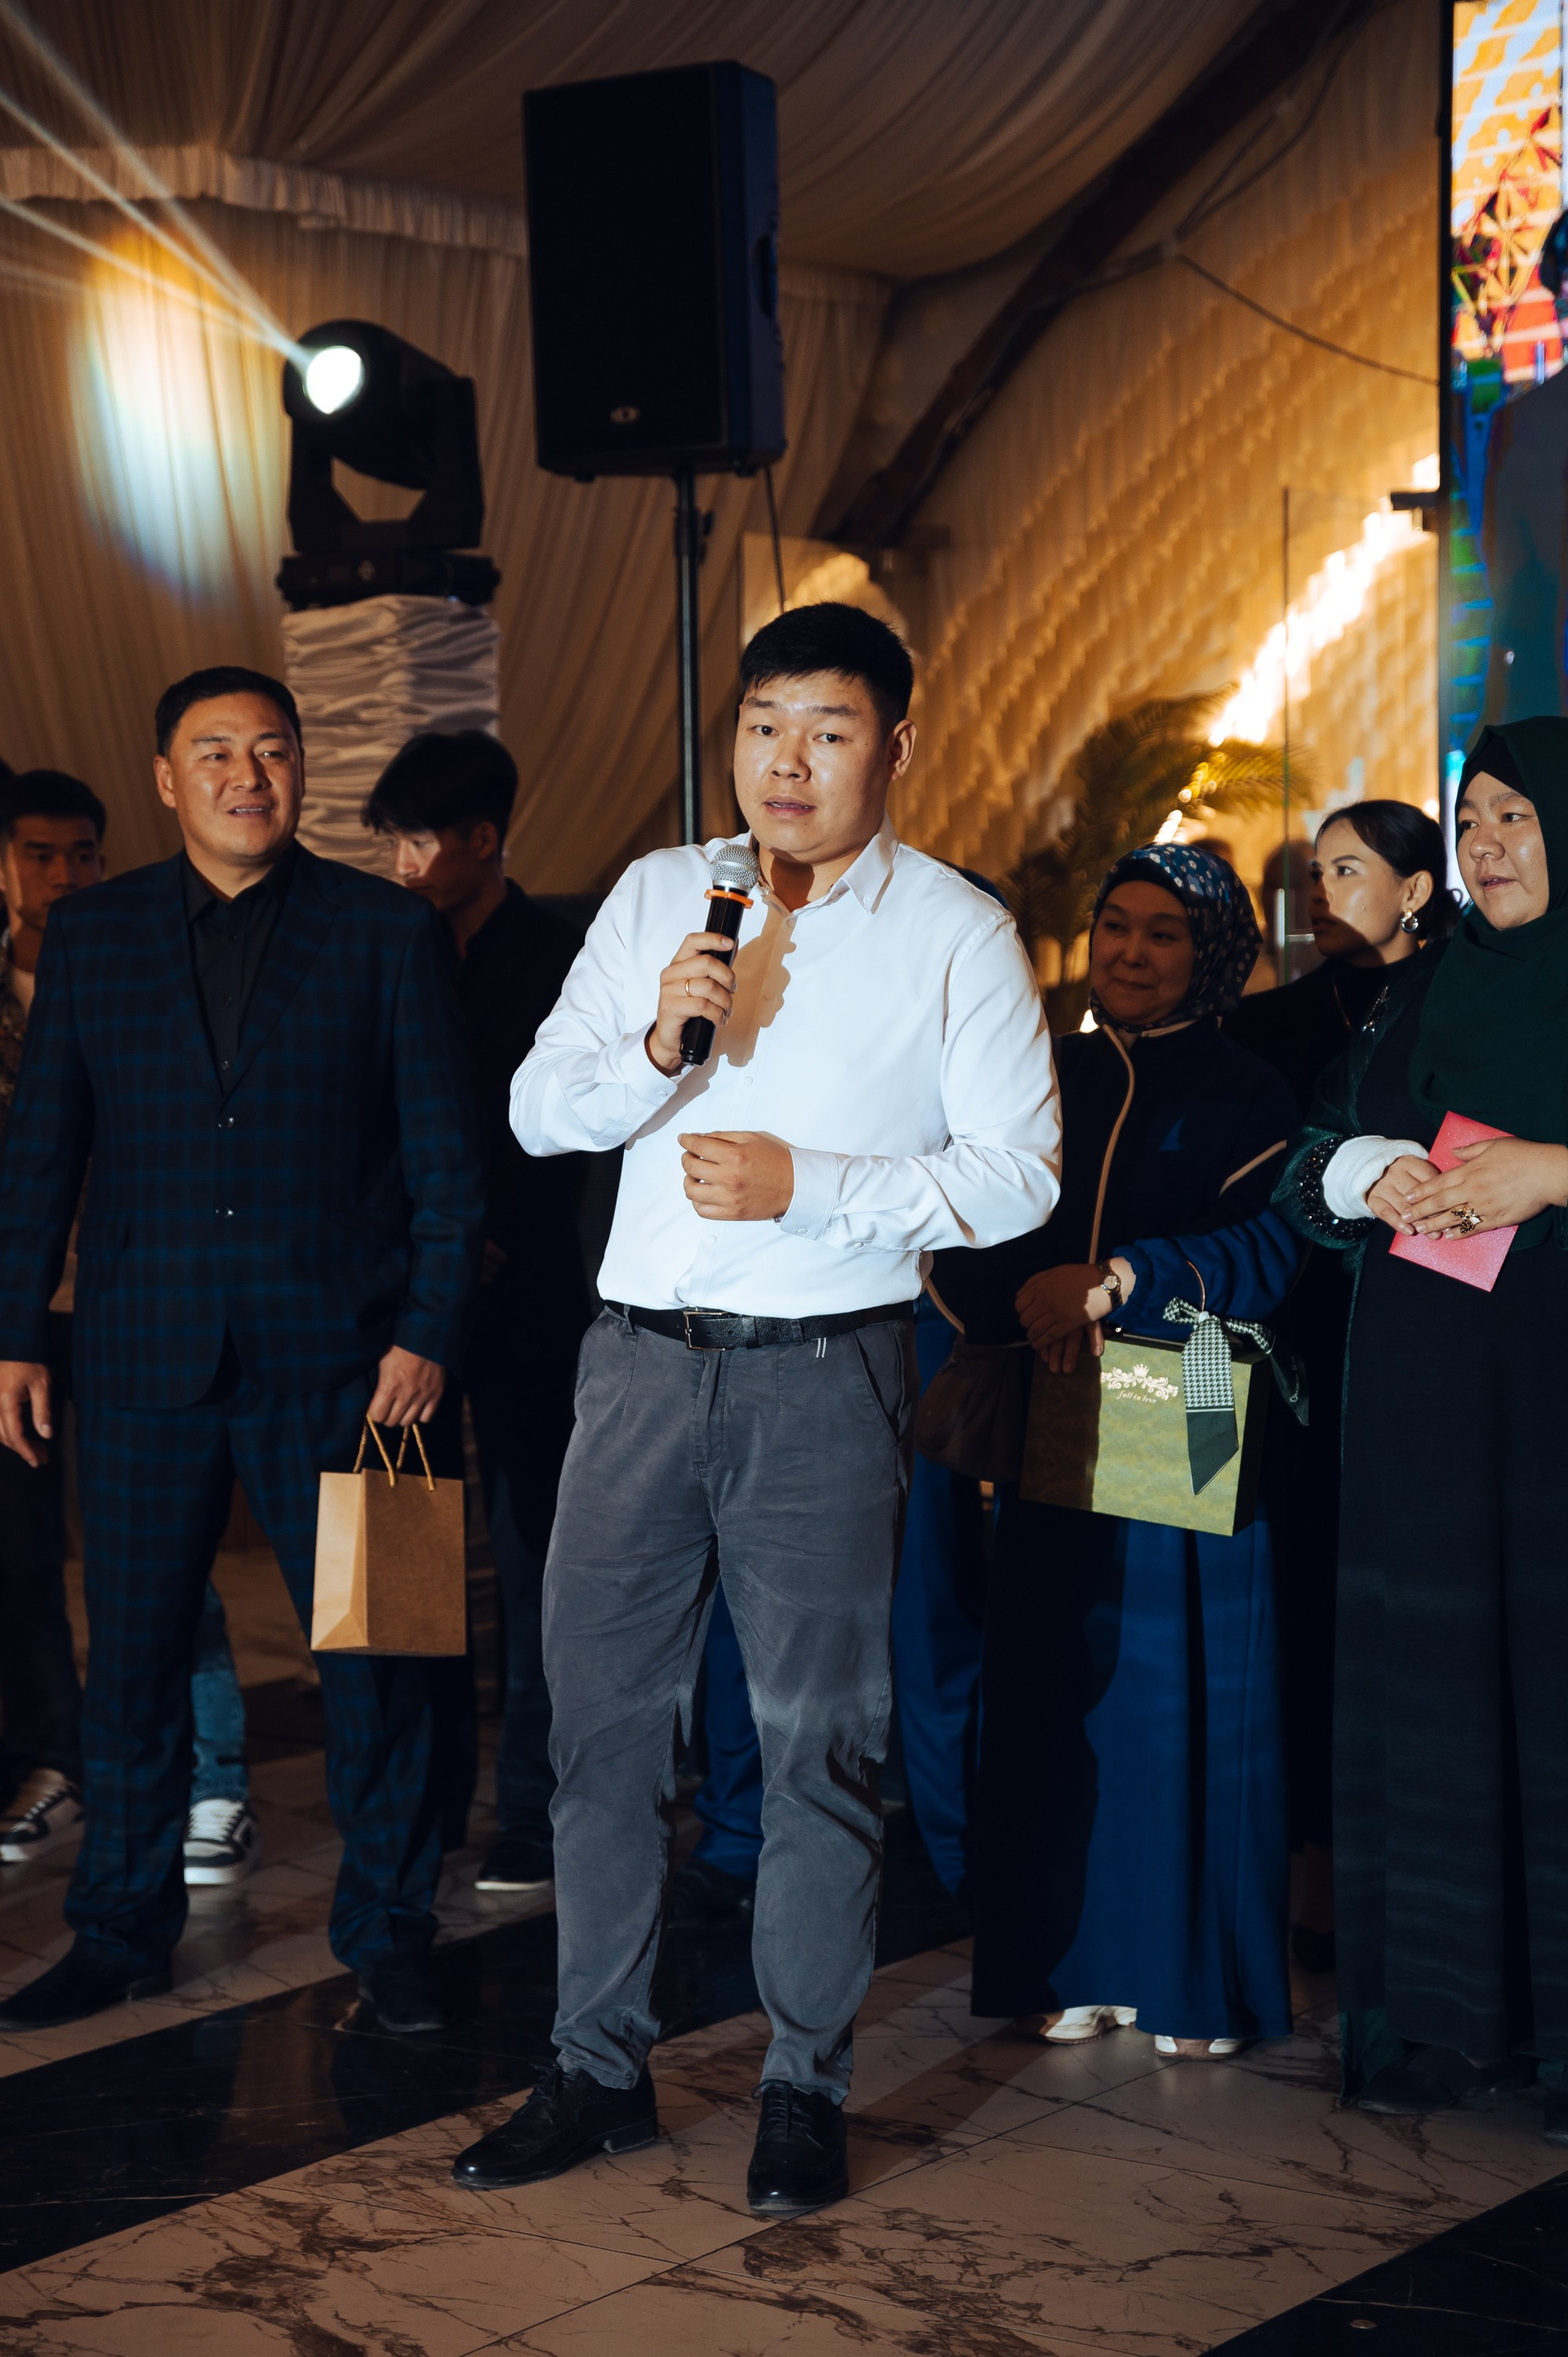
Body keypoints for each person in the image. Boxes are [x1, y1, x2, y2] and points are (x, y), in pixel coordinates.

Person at [451, 601, 1060, 2216]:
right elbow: (539, 1106)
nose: (788, 763)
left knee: (818, 1749)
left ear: (896, 746)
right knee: (597, 1738)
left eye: (828, 730)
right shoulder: (666, 891)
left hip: (825, 1376)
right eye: (764, 727)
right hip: (636, 1367)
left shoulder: (957, 932)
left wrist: (817, 1185)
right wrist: (662, 1039)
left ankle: (803, 2082)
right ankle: (595, 2063)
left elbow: (1019, 1174)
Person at [0, 666, 483, 2034]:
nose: (246, 776)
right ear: (167, 779)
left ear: (301, 769)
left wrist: (429, 1334)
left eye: (271, 750)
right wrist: (15, 1332)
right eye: (215, 753)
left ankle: (390, 1927)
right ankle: (118, 1928)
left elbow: (451, 1163)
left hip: (364, 1369)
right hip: (142, 1359)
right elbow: (42, 1152)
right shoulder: (93, 934)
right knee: (134, 1661)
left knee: (388, 1657)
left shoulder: (388, 930)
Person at [937, 844, 1301, 2056]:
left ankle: (1188, 1982)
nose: (1132, 953)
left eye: (1164, 933)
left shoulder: (1252, 1089)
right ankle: (1070, 1961)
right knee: (1055, 1679)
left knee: (1170, 1684)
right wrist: (1030, 1304)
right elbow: (970, 1220)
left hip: (1182, 1390)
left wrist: (1118, 1283)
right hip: (1055, 1394)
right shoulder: (1045, 1070)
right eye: (1116, 926)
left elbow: (1272, 1249)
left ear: (1215, 953)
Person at [1276, 721, 1568, 2145]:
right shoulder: (1422, 985)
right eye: (1473, 820)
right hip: (1420, 1421)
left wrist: (1550, 1173)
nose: (1488, 843)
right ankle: (1449, 2021)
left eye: (1519, 815)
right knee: (1436, 1696)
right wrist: (1369, 1170)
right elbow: (1306, 1161)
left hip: (1553, 1418)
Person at [0, 772, 257, 1887]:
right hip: (18, 1317)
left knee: (166, 1555)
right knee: (22, 1560)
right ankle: (55, 1762)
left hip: (134, 1306)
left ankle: (214, 1777)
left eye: (84, 854)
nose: (64, 874)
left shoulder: (137, 964)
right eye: (40, 853)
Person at [1228, 803, 1456, 1970]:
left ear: (1416, 890)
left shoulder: (1464, 1002)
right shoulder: (1268, 1025)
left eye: (1349, 870)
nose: (1321, 893)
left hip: (1431, 1344)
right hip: (1289, 1347)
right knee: (1302, 1597)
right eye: (1314, 872)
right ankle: (1310, 1868)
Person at [363, 731, 590, 1889]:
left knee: (535, 1554)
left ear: (484, 839)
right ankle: (422, 1795)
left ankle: (533, 1809)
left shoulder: (558, 956)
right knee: (397, 1551)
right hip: (399, 1307)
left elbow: (574, 1129)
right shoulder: (377, 943)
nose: (403, 864)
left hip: (525, 1302)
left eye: (422, 841)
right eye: (392, 841)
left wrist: (480, 1238)